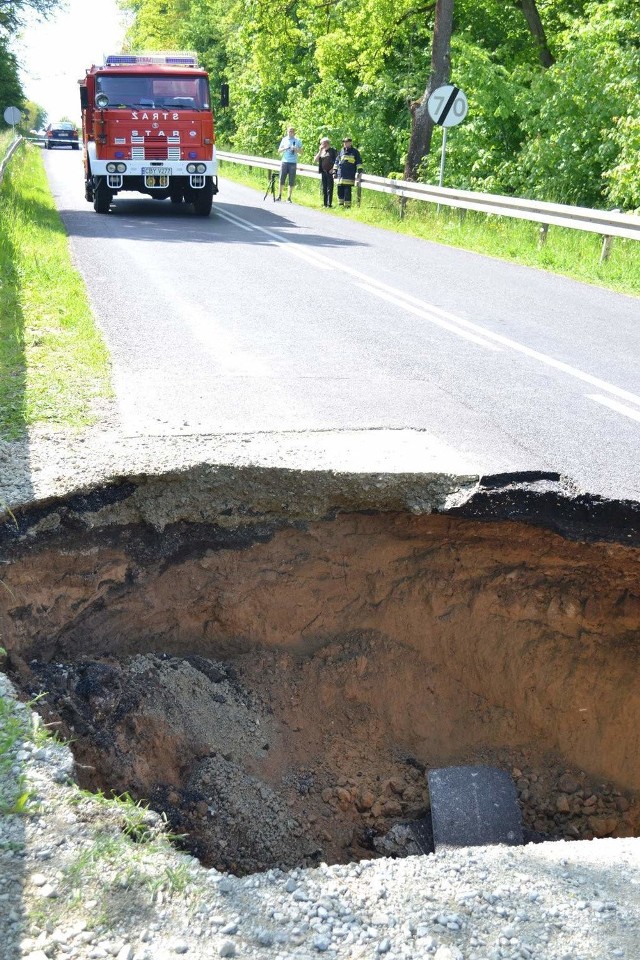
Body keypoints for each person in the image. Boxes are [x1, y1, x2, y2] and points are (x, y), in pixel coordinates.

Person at [332, 136, 363, 209]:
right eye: (344, 142)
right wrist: (334, 171)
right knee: (340, 190)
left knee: (347, 191)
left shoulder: (355, 152)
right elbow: (337, 162)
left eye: (347, 142)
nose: (345, 144)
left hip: (349, 175)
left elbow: (359, 161)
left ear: (350, 143)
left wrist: (360, 170)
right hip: (340, 175)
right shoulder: (341, 151)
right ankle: (340, 205)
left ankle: (347, 206)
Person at [276, 125, 302, 202]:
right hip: (284, 161)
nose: (290, 133)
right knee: (281, 179)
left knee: (291, 180)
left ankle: (289, 197)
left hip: (293, 163)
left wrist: (296, 149)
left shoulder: (297, 141)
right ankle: (279, 195)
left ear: (294, 133)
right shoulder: (284, 140)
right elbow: (279, 150)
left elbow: (301, 151)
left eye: (292, 131)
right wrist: (285, 148)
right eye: (289, 131)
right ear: (287, 132)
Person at [313, 136, 338, 208]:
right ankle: (325, 204)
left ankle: (329, 204)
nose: (322, 145)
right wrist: (320, 151)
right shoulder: (321, 151)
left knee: (329, 188)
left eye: (323, 143)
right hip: (323, 172)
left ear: (327, 143)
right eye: (321, 144)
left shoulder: (332, 151)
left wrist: (333, 169)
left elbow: (337, 161)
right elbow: (315, 160)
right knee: (324, 188)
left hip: (330, 172)